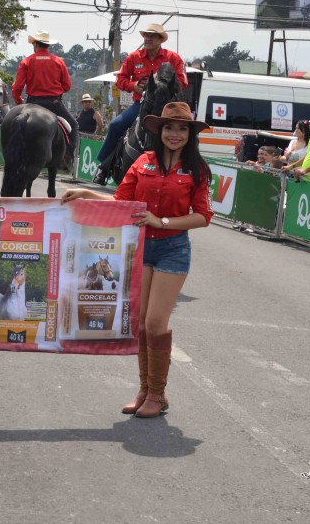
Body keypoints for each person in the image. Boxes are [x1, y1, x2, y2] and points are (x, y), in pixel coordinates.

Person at [62, 102, 212, 418]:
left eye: (182, 128)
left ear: (190, 134)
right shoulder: (143, 162)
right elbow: (121, 202)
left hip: (173, 248)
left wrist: (163, 222)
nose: (175, 134)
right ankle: (146, 390)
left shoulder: (197, 170)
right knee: (142, 321)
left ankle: (157, 393)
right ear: (158, 131)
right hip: (141, 246)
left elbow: (202, 216)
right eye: (169, 127)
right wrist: (87, 195)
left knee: (156, 321)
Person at [93, 23, 189, 185]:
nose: (147, 38)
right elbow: (120, 80)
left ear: (161, 39)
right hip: (142, 104)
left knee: (190, 132)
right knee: (116, 125)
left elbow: (183, 82)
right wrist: (134, 86)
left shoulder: (173, 58)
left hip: (168, 107)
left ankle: (190, 169)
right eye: (145, 35)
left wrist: (162, 85)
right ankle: (103, 167)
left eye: (151, 36)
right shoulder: (133, 57)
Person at [12, 31, 79, 166]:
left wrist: (19, 102)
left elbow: (17, 88)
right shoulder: (59, 61)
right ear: (47, 45)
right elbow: (67, 86)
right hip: (53, 104)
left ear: (35, 44)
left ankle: (12, 156)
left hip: (32, 103)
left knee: (12, 125)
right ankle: (66, 157)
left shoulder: (26, 61)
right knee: (74, 126)